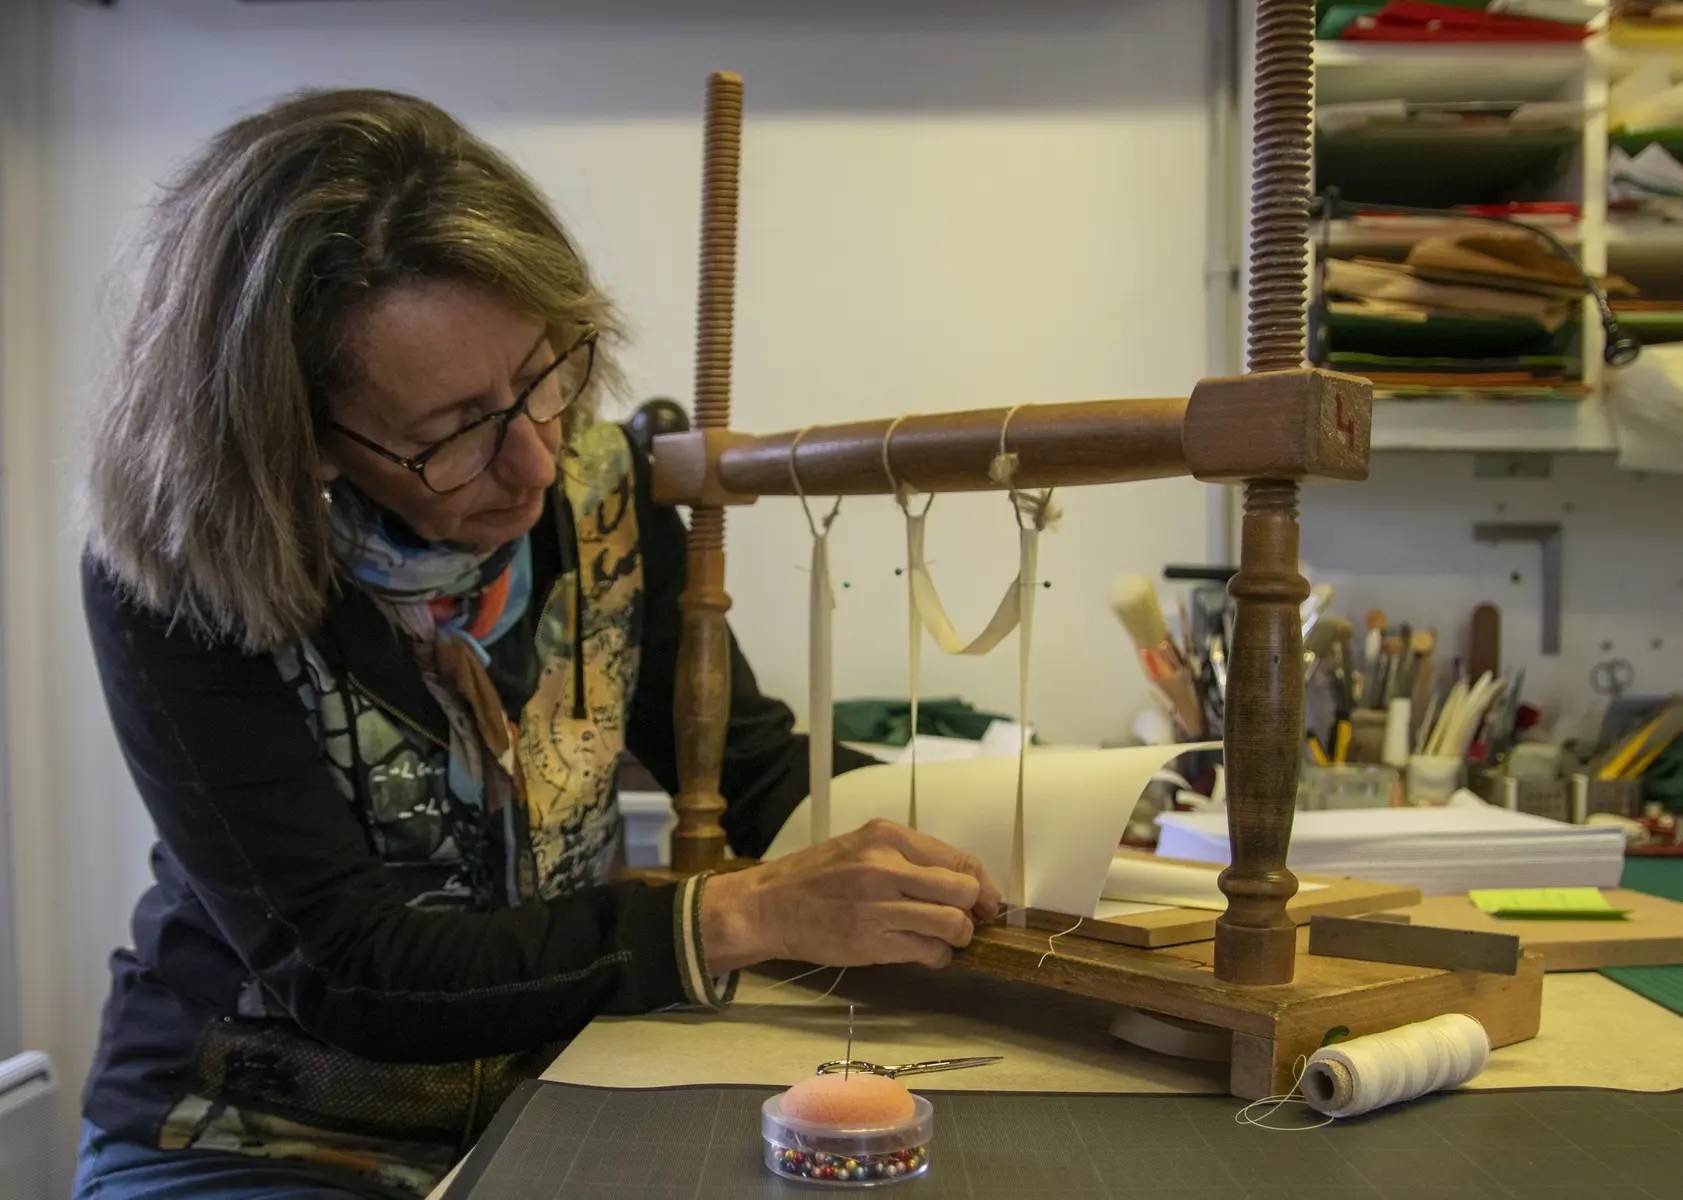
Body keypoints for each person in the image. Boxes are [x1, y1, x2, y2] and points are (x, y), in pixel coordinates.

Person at [72, 87, 1000, 1200]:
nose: (537, 463)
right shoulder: (182, 572)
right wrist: (737, 910)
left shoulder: (609, 487)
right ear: (302, 438)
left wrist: (997, 839)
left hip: (556, 1091)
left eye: (542, 377)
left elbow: (753, 770)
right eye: (453, 434)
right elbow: (348, 965)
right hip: (254, 1132)